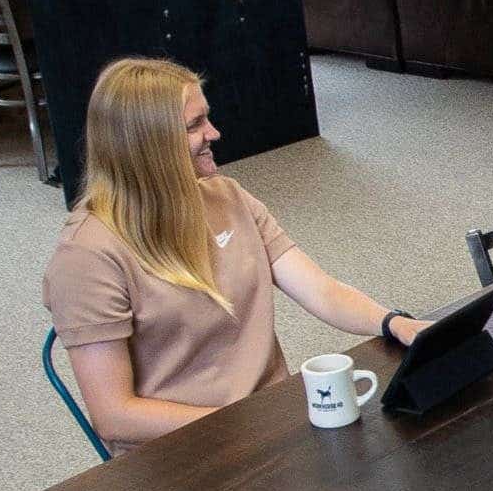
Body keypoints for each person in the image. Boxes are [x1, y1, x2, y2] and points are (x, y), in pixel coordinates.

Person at [43, 57, 422, 450]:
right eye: (194, 125)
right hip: (186, 451)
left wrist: (392, 321)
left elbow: (320, 290)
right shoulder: (85, 257)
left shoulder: (226, 196)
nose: (215, 132)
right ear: (148, 144)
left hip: (270, 423)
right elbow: (114, 415)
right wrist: (249, 426)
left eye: (207, 117)